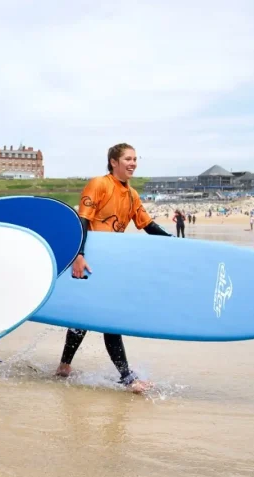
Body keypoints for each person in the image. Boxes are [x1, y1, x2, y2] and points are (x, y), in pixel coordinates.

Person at [55, 143, 173, 393]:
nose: (133, 163)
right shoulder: (99, 184)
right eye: (128, 159)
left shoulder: (132, 195)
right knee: (109, 317)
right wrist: (79, 254)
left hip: (110, 264)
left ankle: (64, 367)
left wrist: (175, 244)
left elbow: (148, 226)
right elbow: (83, 221)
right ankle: (127, 378)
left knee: (84, 318)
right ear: (113, 162)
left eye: (135, 159)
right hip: (89, 259)